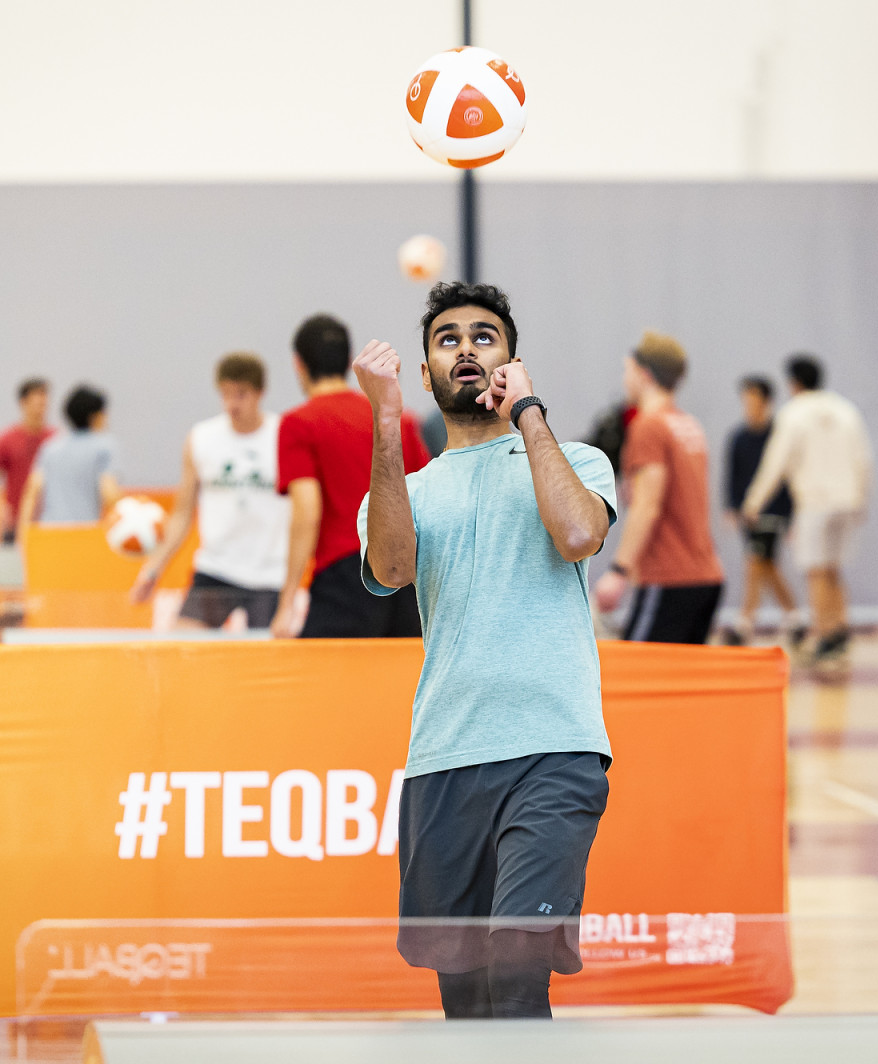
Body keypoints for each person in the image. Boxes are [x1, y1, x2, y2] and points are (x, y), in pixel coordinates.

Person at [357, 282, 616, 1019]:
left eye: (484, 336)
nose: (466, 348)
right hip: (445, 762)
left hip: (553, 753)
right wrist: (382, 417)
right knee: (467, 1003)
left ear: (511, 361)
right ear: (428, 371)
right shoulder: (404, 489)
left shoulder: (577, 462)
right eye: (447, 339)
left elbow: (576, 534)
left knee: (517, 970)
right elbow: (392, 568)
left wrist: (528, 413)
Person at [271, 313, 430, 639]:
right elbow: (425, 500)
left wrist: (287, 602)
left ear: (298, 364)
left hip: (345, 577)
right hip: (405, 579)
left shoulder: (299, 424)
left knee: (329, 684)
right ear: (348, 361)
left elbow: (307, 511)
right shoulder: (402, 420)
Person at [131, 353, 289, 629]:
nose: (232, 403)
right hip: (216, 568)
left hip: (269, 574)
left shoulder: (284, 436)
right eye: (226, 394)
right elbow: (182, 514)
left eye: (241, 394)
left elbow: (305, 510)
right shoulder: (202, 438)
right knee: (184, 649)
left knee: (266, 664)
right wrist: (153, 569)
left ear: (260, 393)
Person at [592, 332, 723, 644]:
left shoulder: (648, 426)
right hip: (706, 577)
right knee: (680, 686)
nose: (624, 380)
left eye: (627, 370)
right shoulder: (688, 424)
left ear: (644, 373)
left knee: (638, 681)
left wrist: (618, 572)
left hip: (669, 578)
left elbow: (646, 506)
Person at [742, 354, 872, 665]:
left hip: (816, 501)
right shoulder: (846, 410)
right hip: (847, 500)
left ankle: (824, 633)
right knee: (833, 568)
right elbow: (863, 458)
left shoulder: (794, 413)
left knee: (816, 569)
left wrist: (754, 501)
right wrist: (862, 498)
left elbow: (777, 461)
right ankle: (839, 629)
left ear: (794, 383)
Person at [722, 376, 804, 647]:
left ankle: (744, 623)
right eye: (747, 402)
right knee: (766, 565)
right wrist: (732, 507)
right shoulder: (739, 438)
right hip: (749, 513)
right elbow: (732, 476)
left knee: (756, 561)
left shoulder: (778, 435)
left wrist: (791, 516)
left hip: (773, 512)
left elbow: (786, 477)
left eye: (755, 401)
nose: (750, 407)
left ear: (767, 402)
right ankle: (794, 617)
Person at [18, 384, 120, 528]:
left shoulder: (50, 447)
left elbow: (32, 492)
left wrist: (23, 534)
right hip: (83, 533)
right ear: (95, 417)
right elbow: (109, 493)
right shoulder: (103, 447)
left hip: (49, 532)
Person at [0, 377, 53, 541]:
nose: (41, 409)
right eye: (37, 404)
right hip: (15, 522)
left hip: (48, 522)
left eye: (44, 404)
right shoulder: (6, 439)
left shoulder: (55, 440)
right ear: (23, 403)